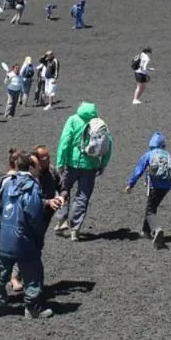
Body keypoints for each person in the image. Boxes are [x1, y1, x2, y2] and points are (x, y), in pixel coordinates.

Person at [0, 150, 56, 319]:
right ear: (31, 167)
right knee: (33, 273)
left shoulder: (7, 183)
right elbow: (33, 215)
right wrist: (38, 236)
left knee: (1, 272)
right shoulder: (32, 187)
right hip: (24, 240)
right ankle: (32, 308)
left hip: (5, 236)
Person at [125, 131, 171, 247]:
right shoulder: (168, 156)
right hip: (166, 187)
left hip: (155, 185)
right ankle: (145, 231)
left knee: (150, 210)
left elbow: (139, 170)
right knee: (152, 207)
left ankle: (157, 229)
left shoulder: (149, 154)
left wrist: (130, 184)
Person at [54, 101, 113, 241]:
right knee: (82, 197)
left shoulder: (73, 120)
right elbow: (109, 144)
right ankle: (75, 229)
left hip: (72, 164)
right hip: (90, 166)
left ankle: (62, 220)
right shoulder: (99, 122)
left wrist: (60, 162)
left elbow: (64, 141)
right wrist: (103, 164)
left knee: (63, 189)